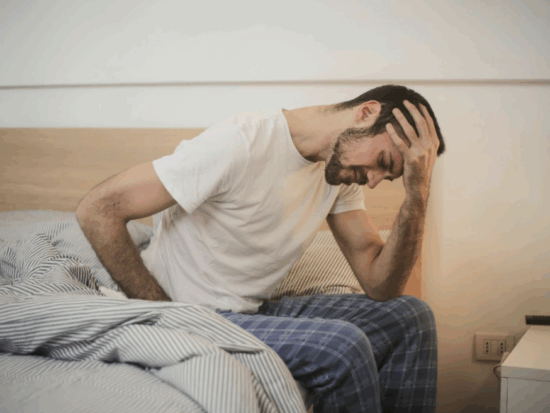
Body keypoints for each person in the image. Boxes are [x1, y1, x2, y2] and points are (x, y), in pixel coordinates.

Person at [76, 84, 445, 413]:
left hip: (250, 311)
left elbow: (381, 285)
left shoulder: (340, 173)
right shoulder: (240, 143)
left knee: (410, 317)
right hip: (193, 312)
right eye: (383, 162)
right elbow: (98, 209)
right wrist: (167, 315)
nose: (375, 180)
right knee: (342, 347)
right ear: (365, 113)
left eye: (389, 176)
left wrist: (417, 193)